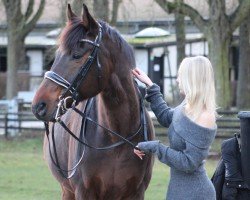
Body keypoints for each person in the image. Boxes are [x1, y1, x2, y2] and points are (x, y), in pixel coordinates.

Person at [132, 56, 217, 200]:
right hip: (178, 190)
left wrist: (154, 147)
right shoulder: (187, 105)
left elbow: (188, 162)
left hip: (196, 194)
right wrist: (150, 86)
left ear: (192, 79)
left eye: (180, 76)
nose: (177, 80)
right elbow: (166, 117)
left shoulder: (205, 116)